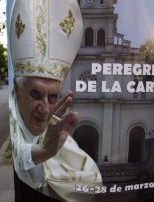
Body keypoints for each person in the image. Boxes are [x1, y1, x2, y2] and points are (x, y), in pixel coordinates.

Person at [9, 0, 102, 201]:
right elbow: (18, 152)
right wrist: (41, 152)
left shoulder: (57, 135)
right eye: (35, 94)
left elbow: (91, 178)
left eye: (52, 97)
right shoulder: (13, 117)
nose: (45, 110)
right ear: (16, 90)